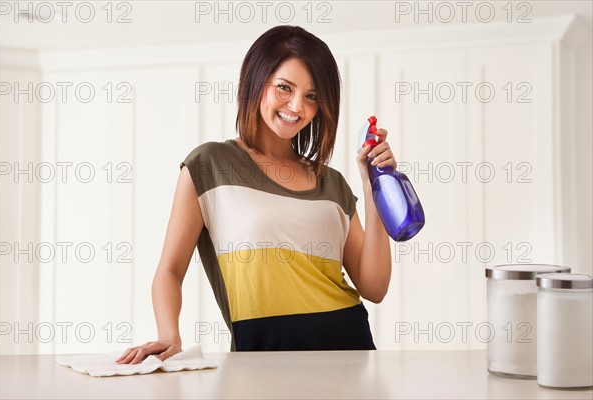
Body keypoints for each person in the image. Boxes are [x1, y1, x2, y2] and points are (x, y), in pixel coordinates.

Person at [116, 25, 395, 364]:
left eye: (311, 96)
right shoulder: (209, 165)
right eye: (284, 88)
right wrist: (168, 336)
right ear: (256, 82)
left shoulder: (332, 183)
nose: (297, 106)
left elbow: (374, 287)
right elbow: (169, 271)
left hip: (349, 353)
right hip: (261, 362)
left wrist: (373, 185)